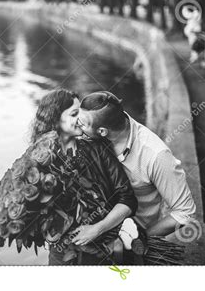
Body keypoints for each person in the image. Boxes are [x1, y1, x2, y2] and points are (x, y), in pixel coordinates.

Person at [30, 89, 138, 265]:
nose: (81, 119)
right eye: (74, 114)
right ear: (56, 121)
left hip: (105, 251)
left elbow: (127, 199)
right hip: (62, 257)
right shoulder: (38, 164)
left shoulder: (98, 148)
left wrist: (96, 229)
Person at [77, 91, 196, 238]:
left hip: (131, 242)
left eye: (81, 124)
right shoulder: (99, 130)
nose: (76, 127)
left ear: (102, 131)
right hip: (90, 234)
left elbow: (185, 213)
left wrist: (141, 239)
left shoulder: (156, 156)